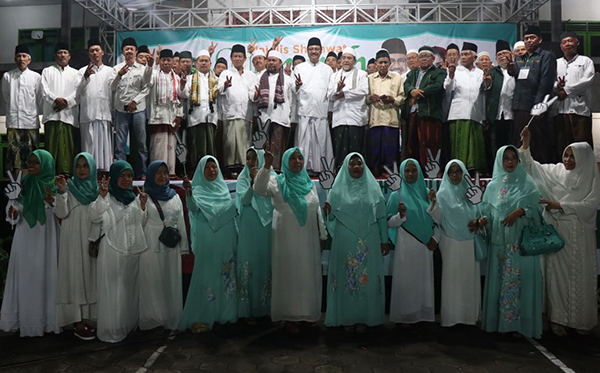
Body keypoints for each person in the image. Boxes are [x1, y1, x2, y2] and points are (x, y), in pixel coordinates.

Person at [519, 127, 600, 335]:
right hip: (557, 232)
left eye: (573, 156)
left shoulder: (591, 178)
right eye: (566, 154)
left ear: (584, 159)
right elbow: (531, 166)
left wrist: (562, 205)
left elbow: (591, 204)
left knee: (581, 276)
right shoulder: (556, 172)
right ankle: (558, 320)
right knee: (557, 277)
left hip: (580, 234)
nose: (568, 160)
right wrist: (527, 144)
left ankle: (581, 321)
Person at [253, 147, 327, 333]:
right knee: (289, 273)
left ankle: (307, 314)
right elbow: (259, 188)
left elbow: (316, 209)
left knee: (307, 273)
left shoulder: (310, 184)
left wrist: (323, 234)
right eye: (292, 158)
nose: (297, 162)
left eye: (300, 158)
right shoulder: (277, 181)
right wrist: (267, 165)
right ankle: (289, 316)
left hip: (308, 236)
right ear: (285, 162)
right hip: (286, 235)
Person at [474, 145, 543, 339]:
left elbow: (538, 211)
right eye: (506, 159)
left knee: (520, 286)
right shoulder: (492, 186)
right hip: (499, 246)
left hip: (520, 246)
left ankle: (520, 326)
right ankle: (500, 325)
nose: (510, 162)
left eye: (514, 158)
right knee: (501, 284)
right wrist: (483, 221)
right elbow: (486, 213)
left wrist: (521, 211)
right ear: (499, 161)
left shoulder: (528, 183)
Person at [323, 153, 389, 332]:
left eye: (360, 163)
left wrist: (384, 240)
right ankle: (347, 318)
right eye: (352, 164)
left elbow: (382, 216)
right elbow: (330, 221)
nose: (356, 167)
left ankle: (366, 318)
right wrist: (327, 213)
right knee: (348, 278)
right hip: (345, 241)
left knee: (367, 279)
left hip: (370, 239)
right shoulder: (336, 191)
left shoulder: (373, 188)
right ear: (346, 167)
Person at [1, 150, 60, 337]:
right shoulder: (22, 184)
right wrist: (12, 208)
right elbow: (15, 210)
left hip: (47, 238)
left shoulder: (54, 185)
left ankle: (48, 320)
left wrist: (53, 201)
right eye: (30, 162)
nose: (32, 166)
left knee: (47, 274)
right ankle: (26, 319)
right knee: (26, 275)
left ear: (46, 164)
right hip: (26, 236)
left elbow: (62, 212)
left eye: (36, 162)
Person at [88, 161, 149, 342]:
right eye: (122, 176)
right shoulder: (108, 196)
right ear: (114, 177)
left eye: (129, 176)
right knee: (112, 291)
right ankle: (112, 330)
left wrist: (143, 207)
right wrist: (102, 197)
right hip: (112, 250)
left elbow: (140, 222)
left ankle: (127, 325)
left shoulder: (134, 198)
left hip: (131, 251)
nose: (126, 180)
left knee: (129, 291)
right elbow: (94, 216)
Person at [178, 156, 238, 331]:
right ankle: (206, 313)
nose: (212, 171)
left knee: (226, 274)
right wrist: (188, 192)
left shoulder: (223, 189)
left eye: (215, 167)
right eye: (208, 168)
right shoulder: (196, 190)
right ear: (200, 171)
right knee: (207, 273)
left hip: (226, 237)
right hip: (208, 238)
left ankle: (225, 313)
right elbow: (193, 207)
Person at [427, 160, 481, 327]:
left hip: (470, 241)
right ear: (447, 175)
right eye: (452, 172)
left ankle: (469, 317)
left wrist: (479, 221)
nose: (455, 175)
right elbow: (437, 219)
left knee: (469, 279)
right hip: (450, 241)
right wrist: (434, 203)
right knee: (452, 280)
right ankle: (452, 318)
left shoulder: (471, 193)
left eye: (458, 171)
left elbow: (481, 213)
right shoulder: (442, 194)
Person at [387, 158, 438, 324]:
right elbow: (388, 222)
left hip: (425, 247)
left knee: (423, 282)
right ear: (402, 173)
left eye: (414, 170)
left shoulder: (427, 193)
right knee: (407, 281)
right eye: (407, 171)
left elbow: (438, 221)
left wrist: (435, 238)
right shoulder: (396, 195)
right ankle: (406, 317)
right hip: (406, 245)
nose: (410, 174)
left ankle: (421, 316)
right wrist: (400, 216)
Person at [139, 161, 189, 331]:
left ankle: (170, 316)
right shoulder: (145, 195)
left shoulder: (174, 196)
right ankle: (152, 318)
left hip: (171, 246)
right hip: (150, 245)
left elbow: (180, 221)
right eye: (158, 173)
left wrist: (183, 248)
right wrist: (142, 206)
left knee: (170, 280)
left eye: (165, 172)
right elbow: (140, 222)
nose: (162, 176)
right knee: (152, 282)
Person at [55, 152, 99, 340]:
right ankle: (77, 321)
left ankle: (89, 318)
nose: (81, 170)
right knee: (75, 278)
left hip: (91, 240)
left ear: (92, 168)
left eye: (85, 166)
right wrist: (62, 192)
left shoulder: (97, 190)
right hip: (72, 240)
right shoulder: (69, 187)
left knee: (90, 277)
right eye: (79, 166)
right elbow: (61, 213)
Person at [508, 25, 557, 164]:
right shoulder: (519, 59)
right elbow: (515, 74)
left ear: (539, 40)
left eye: (532, 38)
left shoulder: (547, 56)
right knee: (521, 143)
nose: (529, 41)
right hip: (519, 107)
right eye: (526, 38)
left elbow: (546, 83)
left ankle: (541, 177)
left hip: (535, 108)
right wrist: (511, 68)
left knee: (538, 145)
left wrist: (538, 105)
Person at [236, 147, 275, 322]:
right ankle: (247, 309)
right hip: (249, 227)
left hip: (266, 227)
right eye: (248, 158)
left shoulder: (271, 177)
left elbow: (273, 197)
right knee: (248, 265)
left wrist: (260, 178)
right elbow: (244, 200)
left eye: (254, 158)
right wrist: (252, 183)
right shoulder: (242, 177)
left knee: (264, 263)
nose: (251, 162)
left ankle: (264, 308)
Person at [109, 37, 150, 178]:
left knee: (140, 143)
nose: (129, 51)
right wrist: (119, 76)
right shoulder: (115, 69)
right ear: (122, 51)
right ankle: (121, 172)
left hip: (138, 110)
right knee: (119, 144)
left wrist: (135, 101)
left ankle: (142, 172)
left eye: (132, 49)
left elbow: (146, 88)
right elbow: (111, 87)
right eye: (126, 49)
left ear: (136, 51)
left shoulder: (143, 69)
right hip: (121, 110)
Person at [402, 46, 446, 173]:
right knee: (412, 144)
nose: (424, 59)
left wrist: (418, 93)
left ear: (432, 58)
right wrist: (411, 90)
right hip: (413, 113)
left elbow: (437, 87)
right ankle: (414, 172)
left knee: (430, 144)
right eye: (421, 56)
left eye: (427, 56)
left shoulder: (439, 72)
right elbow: (406, 84)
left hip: (430, 113)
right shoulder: (412, 73)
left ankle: (431, 172)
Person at [293, 37, 334, 174]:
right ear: (307, 51)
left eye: (316, 49)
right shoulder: (299, 68)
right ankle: (302, 169)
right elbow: (293, 90)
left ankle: (320, 169)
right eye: (311, 49)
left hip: (321, 111)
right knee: (304, 143)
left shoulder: (327, 69)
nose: (314, 51)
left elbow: (330, 91)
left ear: (321, 51)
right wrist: (296, 86)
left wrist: (329, 110)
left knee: (320, 142)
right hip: (304, 110)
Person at [444, 42, 486, 173]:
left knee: (475, 145)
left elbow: (484, 93)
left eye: (466, 54)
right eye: (461, 55)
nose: (462, 57)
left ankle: (475, 170)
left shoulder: (480, 73)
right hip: (458, 113)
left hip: (476, 113)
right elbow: (447, 88)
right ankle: (458, 170)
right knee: (459, 145)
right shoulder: (455, 71)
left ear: (474, 58)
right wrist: (450, 75)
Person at [2, 44, 42, 174]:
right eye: (18, 56)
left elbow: (39, 98)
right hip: (14, 121)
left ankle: (32, 182)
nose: (21, 59)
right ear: (15, 59)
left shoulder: (36, 77)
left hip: (30, 122)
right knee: (13, 157)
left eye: (24, 56)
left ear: (29, 60)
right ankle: (14, 184)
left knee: (32, 155)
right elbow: (6, 96)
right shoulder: (8, 76)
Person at [41, 42, 80, 175]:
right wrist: (55, 100)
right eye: (59, 52)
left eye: (65, 53)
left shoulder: (76, 73)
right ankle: (49, 177)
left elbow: (78, 92)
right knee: (51, 149)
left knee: (67, 150)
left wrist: (66, 102)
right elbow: (44, 91)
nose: (62, 55)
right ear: (55, 55)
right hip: (52, 116)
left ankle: (67, 178)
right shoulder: (47, 71)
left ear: (69, 56)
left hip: (69, 117)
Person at [327, 47, 369, 170]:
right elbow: (329, 94)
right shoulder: (334, 76)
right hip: (339, 117)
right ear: (340, 61)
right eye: (344, 58)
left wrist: (344, 93)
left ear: (354, 61)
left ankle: (357, 174)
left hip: (356, 117)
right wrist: (337, 89)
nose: (346, 61)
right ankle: (340, 174)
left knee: (356, 149)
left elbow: (364, 90)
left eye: (349, 58)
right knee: (340, 149)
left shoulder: (362, 74)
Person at [77, 39, 115, 173]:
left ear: (102, 53)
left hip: (104, 114)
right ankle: (88, 172)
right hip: (88, 114)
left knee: (104, 148)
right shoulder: (81, 71)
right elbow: (77, 92)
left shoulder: (111, 71)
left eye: (97, 50)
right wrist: (86, 77)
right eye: (92, 51)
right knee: (89, 146)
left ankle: (104, 174)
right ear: (88, 54)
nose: (95, 53)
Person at [554, 31, 595, 153]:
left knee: (582, 148)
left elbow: (587, 80)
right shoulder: (556, 63)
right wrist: (557, 86)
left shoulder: (585, 61)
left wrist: (566, 90)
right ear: (561, 46)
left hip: (580, 111)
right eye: (564, 42)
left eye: (570, 41)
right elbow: (550, 81)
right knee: (562, 147)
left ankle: (585, 172)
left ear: (577, 43)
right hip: (560, 111)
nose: (567, 44)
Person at [144, 48, 183, 175]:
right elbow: (147, 80)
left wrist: (179, 115)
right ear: (159, 61)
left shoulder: (176, 78)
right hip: (158, 117)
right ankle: (157, 173)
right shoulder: (154, 74)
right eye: (164, 60)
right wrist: (149, 66)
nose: (166, 63)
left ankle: (170, 173)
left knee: (171, 146)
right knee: (158, 147)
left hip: (172, 117)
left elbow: (180, 98)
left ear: (173, 62)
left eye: (168, 60)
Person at [252, 50, 293, 171]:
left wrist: (291, 117)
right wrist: (256, 95)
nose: (271, 63)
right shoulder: (259, 77)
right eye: (269, 60)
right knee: (264, 146)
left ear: (280, 63)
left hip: (280, 118)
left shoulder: (288, 79)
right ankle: (263, 171)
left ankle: (277, 171)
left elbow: (291, 100)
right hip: (263, 118)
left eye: (274, 60)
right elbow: (252, 96)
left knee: (278, 146)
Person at [366, 49, 405, 176]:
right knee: (375, 150)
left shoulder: (397, 78)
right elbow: (364, 97)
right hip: (375, 119)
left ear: (390, 64)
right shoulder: (369, 78)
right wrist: (370, 98)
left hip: (391, 119)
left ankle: (390, 173)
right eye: (380, 63)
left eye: (385, 62)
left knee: (390, 150)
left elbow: (402, 97)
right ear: (376, 64)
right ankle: (375, 173)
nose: (383, 65)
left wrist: (393, 100)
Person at [218, 44, 255, 177]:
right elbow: (218, 90)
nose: (238, 59)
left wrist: (256, 95)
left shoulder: (251, 75)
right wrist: (225, 85)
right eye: (235, 56)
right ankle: (230, 170)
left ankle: (244, 170)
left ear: (245, 58)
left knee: (244, 143)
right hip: (230, 114)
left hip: (246, 114)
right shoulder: (225, 73)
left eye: (240, 56)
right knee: (230, 143)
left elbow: (252, 94)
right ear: (231, 58)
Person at [181, 50, 219, 171]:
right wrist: (182, 85)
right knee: (197, 149)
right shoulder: (190, 78)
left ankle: (211, 173)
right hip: (195, 118)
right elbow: (183, 95)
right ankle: (197, 173)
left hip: (211, 118)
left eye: (206, 61)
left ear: (210, 63)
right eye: (201, 61)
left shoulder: (215, 80)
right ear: (196, 63)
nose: (203, 63)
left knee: (211, 149)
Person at [484, 40, 516, 171]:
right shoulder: (493, 71)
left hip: (512, 114)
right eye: (500, 54)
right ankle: (496, 172)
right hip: (496, 115)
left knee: (512, 145)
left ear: (511, 55)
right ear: (496, 58)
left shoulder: (516, 70)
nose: (503, 56)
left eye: (505, 53)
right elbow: (485, 88)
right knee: (496, 146)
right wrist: (487, 83)